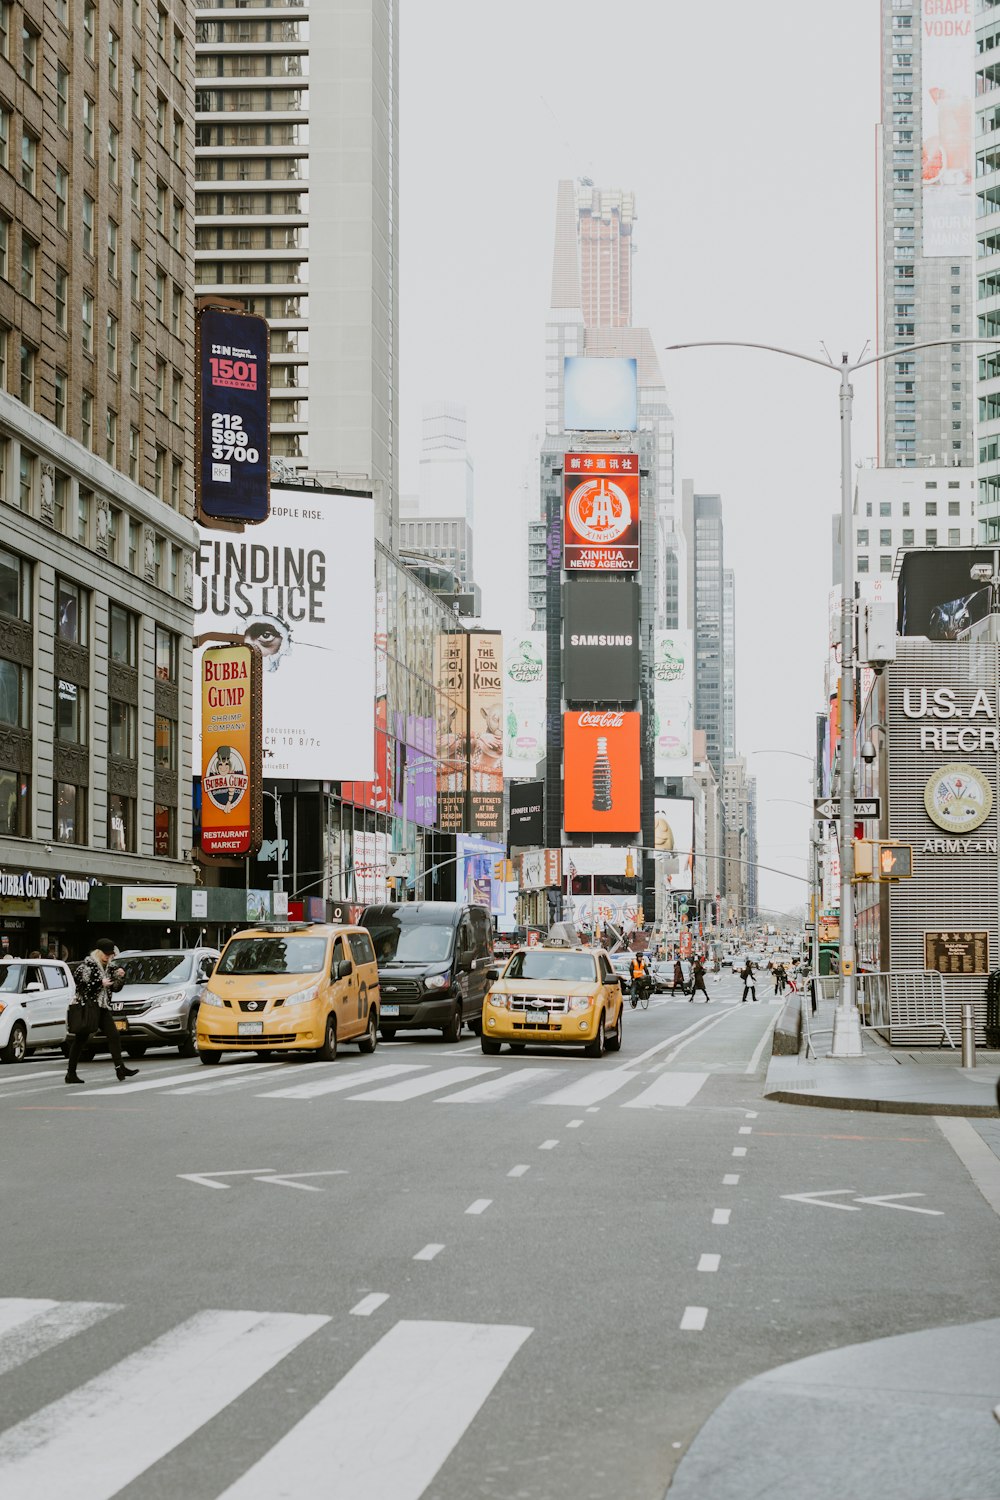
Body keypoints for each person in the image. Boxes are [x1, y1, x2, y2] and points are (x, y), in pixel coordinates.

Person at [65, 939, 138, 1086]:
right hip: (89, 1007)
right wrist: (99, 983)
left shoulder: (110, 967)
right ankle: (70, 1073)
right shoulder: (86, 966)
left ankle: (120, 1068)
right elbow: (80, 984)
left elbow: (115, 988)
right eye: (106, 954)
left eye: (110, 954)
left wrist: (120, 977)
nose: (108, 957)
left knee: (114, 1035)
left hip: (103, 1007)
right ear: (98, 953)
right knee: (80, 1040)